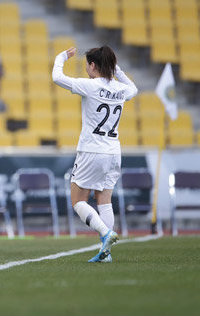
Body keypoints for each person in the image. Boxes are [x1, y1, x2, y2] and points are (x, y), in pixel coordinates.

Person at [52, 45, 138, 263]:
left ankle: (106, 233)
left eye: (87, 65)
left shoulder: (89, 86)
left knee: (77, 200)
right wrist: (116, 70)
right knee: (104, 199)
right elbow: (134, 88)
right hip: (113, 152)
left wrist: (61, 57)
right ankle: (106, 252)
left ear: (93, 65)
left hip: (91, 150)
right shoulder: (120, 89)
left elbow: (57, 77)